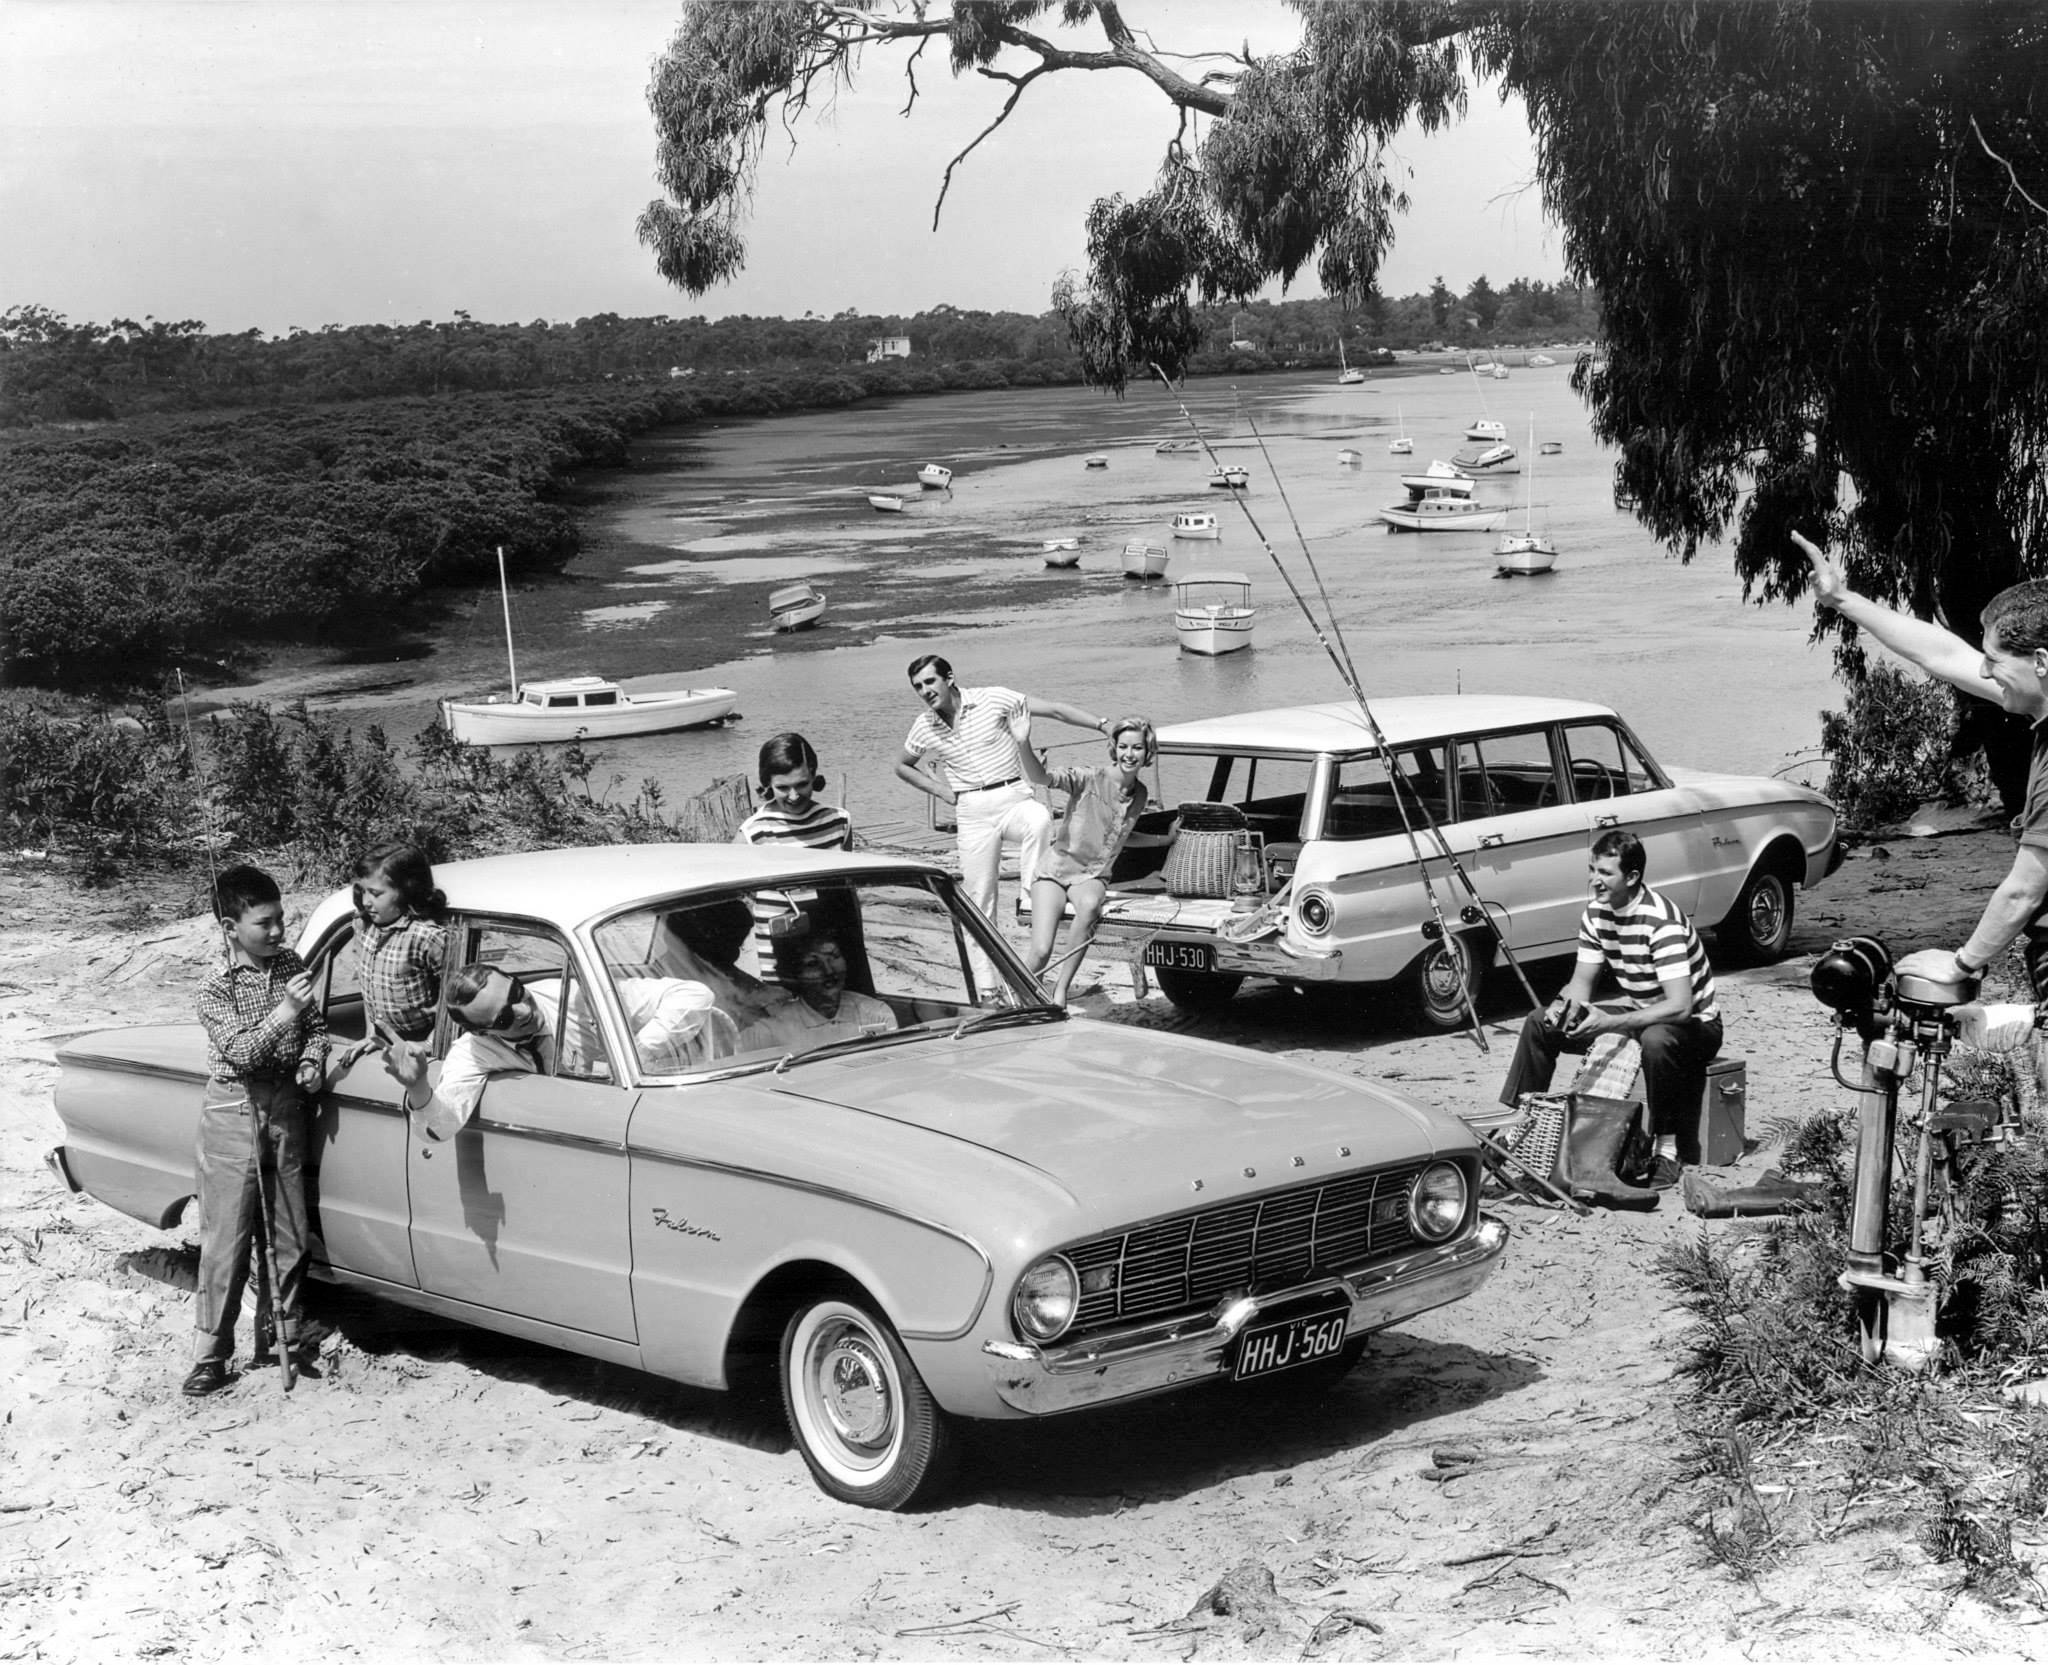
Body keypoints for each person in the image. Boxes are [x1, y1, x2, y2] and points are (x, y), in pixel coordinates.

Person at [1795, 530, 2048, 995]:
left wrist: (1961, 964)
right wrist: (1843, 599)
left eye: (1995, 661)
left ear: (2041, 662)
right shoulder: (2040, 705)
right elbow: (1944, 652)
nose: (1985, 671)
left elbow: (2024, 889)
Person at [1496, 830, 1723, 1175]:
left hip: (1695, 1026)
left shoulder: (1661, 922)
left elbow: (1681, 1006)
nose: (1595, 881)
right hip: (1642, 1014)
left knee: (1656, 1040)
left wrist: (1609, 1023)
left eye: (1605, 873)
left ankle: (1666, 1148)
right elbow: (1581, 984)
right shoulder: (1596, 914)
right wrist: (1562, 1008)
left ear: (1632, 877)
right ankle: (1517, 1123)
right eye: (1592, 870)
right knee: (1539, 1022)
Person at [185, 864, 329, 1397]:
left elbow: (315, 1028)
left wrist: (312, 1060)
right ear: (229, 927)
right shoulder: (214, 987)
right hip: (233, 1111)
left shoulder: (292, 962)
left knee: (290, 1231)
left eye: (281, 920)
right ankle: (211, 1355)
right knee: (227, 1240)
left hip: (287, 1106)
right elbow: (242, 1052)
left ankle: (283, 1338)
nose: (277, 932)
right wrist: (286, 1011)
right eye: (264, 923)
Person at [892, 654, 1111, 942]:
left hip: (1012, 798)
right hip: (972, 811)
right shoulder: (924, 725)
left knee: (1039, 819)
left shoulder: (993, 698)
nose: (925, 691)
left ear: (949, 678)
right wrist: (944, 792)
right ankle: (988, 986)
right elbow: (902, 765)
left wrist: (1102, 725)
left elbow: (1055, 711)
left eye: (930, 681)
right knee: (980, 900)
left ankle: (1031, 897)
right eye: (918, 687)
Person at [383, 963, 723, 1142]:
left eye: (517, 991)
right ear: (483, 1031)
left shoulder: (574, 996)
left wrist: (638, 1052)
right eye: (503, 1017)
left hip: (650, 1111)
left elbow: (694, 995)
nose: (522, 1010)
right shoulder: (473, 1051)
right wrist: (417, 1086)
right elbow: (439, 1130)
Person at [1021, 715, 1154, 1005]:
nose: (1129, 755)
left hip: (1091, 876)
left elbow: (1122, 834)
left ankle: (1061, 990)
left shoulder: (1140, 794)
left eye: (1137, 748)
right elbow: (1041, 778)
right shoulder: (1089, 778)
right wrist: (1023, 742)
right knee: (1042, 950)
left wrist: (1163, 840)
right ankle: (1018, 996)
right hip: (1055, 871)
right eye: (1123, 747)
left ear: (1148, 751)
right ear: (1114, 748)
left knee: (1091, 904)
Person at [739, 926, 897, 1052]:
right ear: (793, 974)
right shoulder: (767, 1031)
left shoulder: (876, 1015)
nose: (829, 970)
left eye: (834, 957)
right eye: (812, 964)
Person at [351, 841, 448, 1045]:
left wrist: (430, 1044)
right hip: (381, 1037)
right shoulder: (362, 925)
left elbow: (454, 999)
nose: (366, 901)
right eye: (363, 891)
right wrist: (371, 1035)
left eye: (376, 894)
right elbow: (368, 989)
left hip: (422, 1042)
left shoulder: (426, 936)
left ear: (407, 891)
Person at [735, 732, 854, 851]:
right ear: (768, 784)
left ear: (813, 776)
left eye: (802, 785)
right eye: (783, 788)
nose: (794, 796)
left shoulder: (839, 821)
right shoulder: (752, 834)